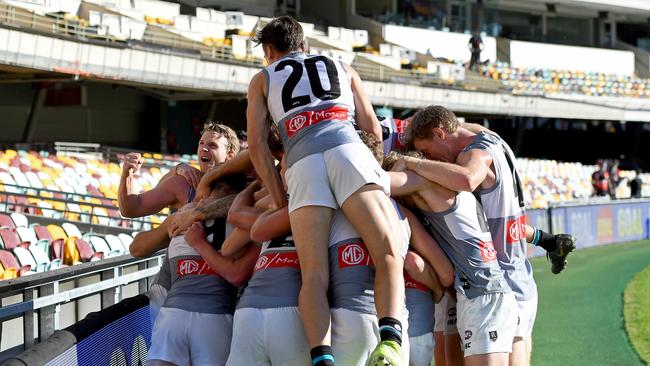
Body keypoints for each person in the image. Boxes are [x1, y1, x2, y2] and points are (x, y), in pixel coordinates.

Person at [247, 16, 406, 365]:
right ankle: (391, 339)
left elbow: (257, 146)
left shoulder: (262, 79)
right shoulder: (342, 66)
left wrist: (278, 197)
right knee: (388, 251)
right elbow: (371, 128)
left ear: (270, 50)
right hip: (347, 150)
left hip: (302, 162)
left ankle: (322, 357)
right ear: (303, 44)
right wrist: (373, 172)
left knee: (314, 275)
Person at [403, 105, 576, 365]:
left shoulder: (474, 154)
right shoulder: (493, 139)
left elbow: (468, 179)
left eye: (428, 151)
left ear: (440, 133)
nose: (432, 159)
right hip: (520, 276)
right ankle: (549, 240)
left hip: (501, 279)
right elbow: (467, 129)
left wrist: (413, 163)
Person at [388, 152, 517, 366]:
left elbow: (446, 275)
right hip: (488, 290)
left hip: (481, 294)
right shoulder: (450, 190)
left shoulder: (427, 186)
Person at [120, 122, 240, 323]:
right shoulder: (183, 184)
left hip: (222, 297)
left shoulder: (242, 189)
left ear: (229, 156)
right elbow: (131, 208)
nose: (203, 148)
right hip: (174, 290)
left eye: (212, 145)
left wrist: (196, 213)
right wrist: (127, 174)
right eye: (201, 143)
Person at [146, 173, 258, 366]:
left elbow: (136, 246)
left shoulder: (181, 216)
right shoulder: (245, 215)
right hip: (216, 316)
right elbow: (238, 274)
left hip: (172, 315)